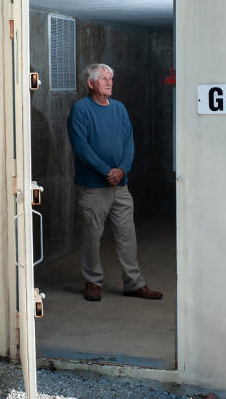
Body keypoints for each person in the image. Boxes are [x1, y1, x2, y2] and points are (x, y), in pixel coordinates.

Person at [66, 63, 163, 302]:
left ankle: (134, 283)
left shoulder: (119, 109)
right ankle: (92, 281)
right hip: (94, 187)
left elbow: (129, 142)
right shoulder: (80, 110)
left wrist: (122, 170)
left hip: (120, 185)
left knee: (127, 234)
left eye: (110, 79)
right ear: (90, 84)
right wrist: (106, 170)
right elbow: (82, 148)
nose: (109, 83)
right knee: (92, 235)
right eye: (103, 79)